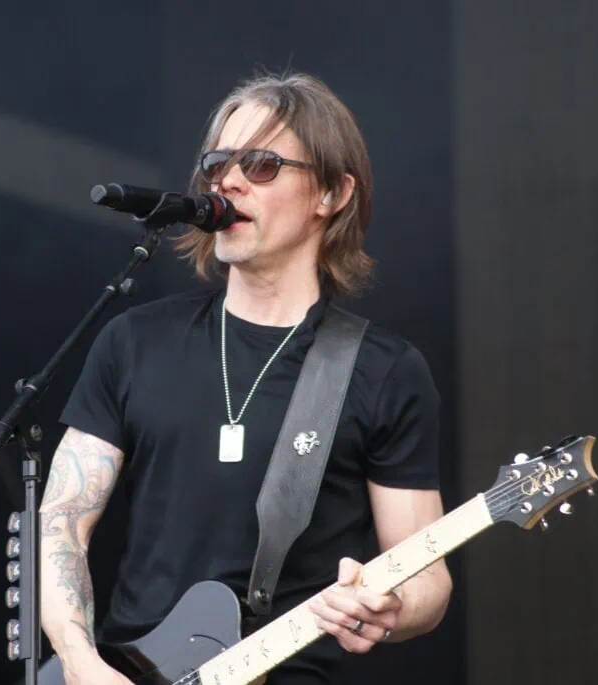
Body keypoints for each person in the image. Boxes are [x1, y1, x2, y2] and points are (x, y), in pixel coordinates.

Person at [39, 70, 452, 685]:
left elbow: (427, 573)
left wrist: (394, 605)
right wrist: (79, 662)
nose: (227, 181)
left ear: (331, 193)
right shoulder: (135, 342)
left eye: (261, 165)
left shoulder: (383, 370)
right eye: (217, 163)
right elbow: (61, 522)